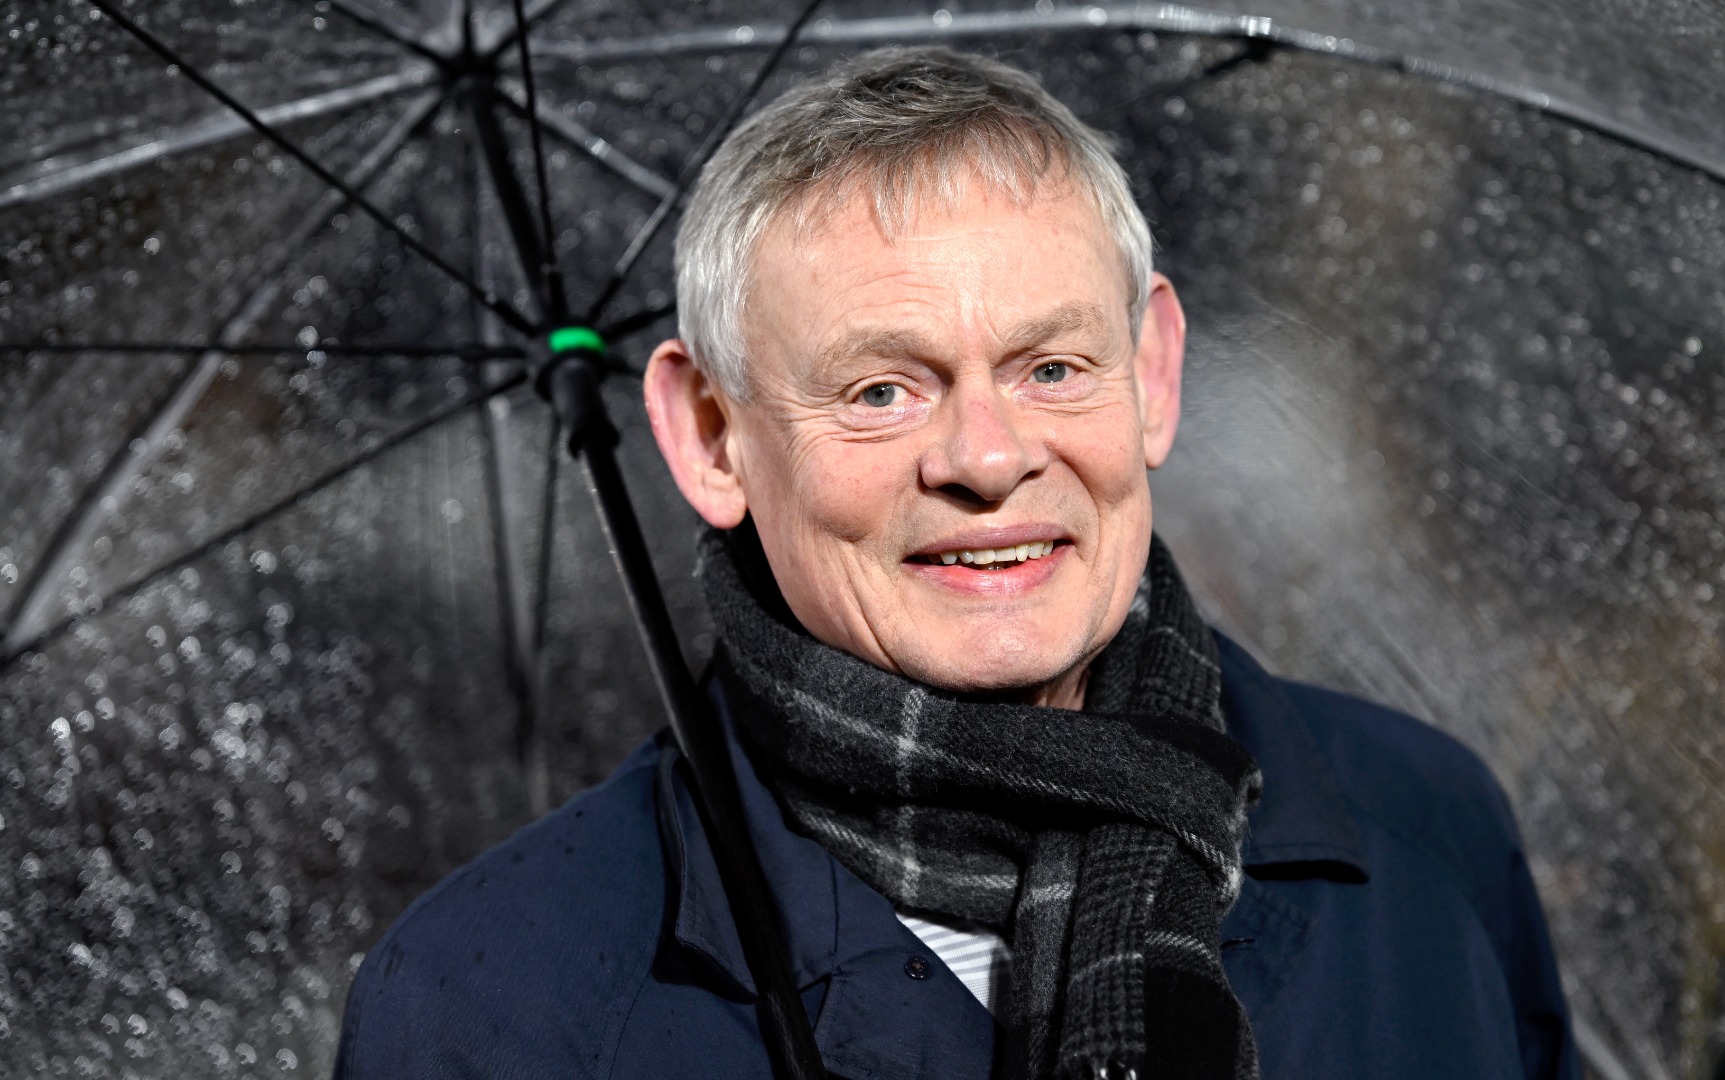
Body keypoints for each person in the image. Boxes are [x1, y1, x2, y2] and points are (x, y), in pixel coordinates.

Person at [332, 47, 1578, 1080]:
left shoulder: (1425, 829)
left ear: (1151, 373)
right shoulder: (490, 1011)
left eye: (1051, 368)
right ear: (712, 438)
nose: (987, 457)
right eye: (882, 390)